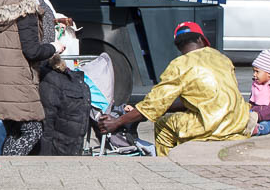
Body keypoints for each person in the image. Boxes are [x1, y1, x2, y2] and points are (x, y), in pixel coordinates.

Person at [98, 21, 250, 156]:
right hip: (239, 122)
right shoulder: (222, 58)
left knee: (163, 124)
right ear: (201, 39)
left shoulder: (180, 65)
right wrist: (165, 108)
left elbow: (152, 106)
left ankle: (167, 166)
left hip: (211, 127)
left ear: (178, 46)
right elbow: (207, 99)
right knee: (174, 116)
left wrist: (117, 122)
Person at [0, 0, 64, 156]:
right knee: (33, 130)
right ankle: (9, 166)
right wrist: (54, 47)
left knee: (15, 130)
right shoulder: (25, 8)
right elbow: (32, 51)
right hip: (17, 82)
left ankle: (8, 168)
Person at [38, 53, 91, 155]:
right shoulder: (75, 80)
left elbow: (47, 122)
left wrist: (44, 155)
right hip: (73, 141)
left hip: (59, 143)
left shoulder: (49, 80)